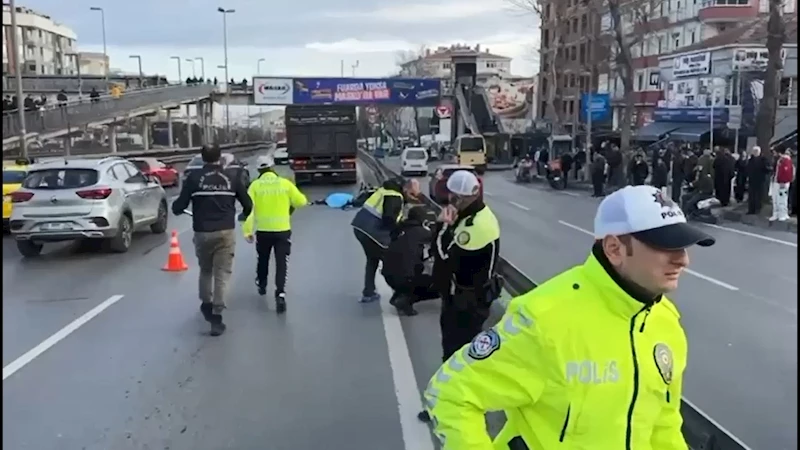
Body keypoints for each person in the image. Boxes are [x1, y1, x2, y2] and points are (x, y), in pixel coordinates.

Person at [423, 185, 715, 449]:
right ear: (614, 248)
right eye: (666, 246)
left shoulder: (665, 323)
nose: (683, 260)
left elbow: (664, 424)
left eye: (683, 246)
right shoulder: (545, 319)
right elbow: (449, 393)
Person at [418, 170, 501, 423]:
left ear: (465, 197)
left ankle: (452, 408)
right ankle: (458, 404)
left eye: (453, 197)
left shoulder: (475, 227)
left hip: (468, 302)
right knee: (460, 356)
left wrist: (443, 226)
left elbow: (444, 257)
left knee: (457, 358)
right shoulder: (473, 216)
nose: (449, 202)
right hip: (463, 298)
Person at [172, 145, 253, 336]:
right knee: (222, 273)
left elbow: (178, 206)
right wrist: (242, 216)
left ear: (202, 157)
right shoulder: (232, 177)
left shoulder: (193, 178)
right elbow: (248, 205)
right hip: (225, 231)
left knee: (206, 270)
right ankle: (217, 315)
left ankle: (206, 303)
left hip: (202, 232)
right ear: (220, 157)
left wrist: (179, 207)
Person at [242, 154, 308, 313]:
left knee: (263, 259)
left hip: (263, 231)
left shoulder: (255, 186)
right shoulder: (285, 184)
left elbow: (249, 211)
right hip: (282, 231)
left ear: (259, 169)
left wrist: (247, 231)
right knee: (281, 263)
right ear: (272, 167)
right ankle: (280, 293)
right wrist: (288, 207)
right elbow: (301, 201)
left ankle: (262, 284)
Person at [350, 177, 420, 303]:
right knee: (394, 262)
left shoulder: (386, 190)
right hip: (372, 231)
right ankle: (402, 296)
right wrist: (400, 230)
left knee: (372, 259)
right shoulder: (395, 196)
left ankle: (368, 292)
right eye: (412, 194)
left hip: (360, 227)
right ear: (405, 189)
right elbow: (389, 219)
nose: (413, 198)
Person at [381, 206, 439, 316]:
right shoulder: (421, 232)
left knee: (410, 268)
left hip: (388, 274)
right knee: (438, 284)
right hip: (405, 277)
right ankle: (405, 300)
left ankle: (399, 294)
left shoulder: (400, 229)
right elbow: (437, 240)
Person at [769, 147, 795, 222]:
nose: (773, 154)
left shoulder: (785, 160)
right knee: (778, 198)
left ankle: (781, 214)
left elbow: (786, 172)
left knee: (781, 199)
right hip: (778, 181)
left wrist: (782, 181)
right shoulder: (781, 160)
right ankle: (778, 214)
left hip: (781, 182)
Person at [746, 146, 770, 215]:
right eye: (754, 151)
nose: (755, 153)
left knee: (758, 196)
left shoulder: (763, 159)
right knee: (751, 196)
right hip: (752, 180)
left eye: (756, 151)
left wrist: (765, 168)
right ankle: (751, 209)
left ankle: (757, 209)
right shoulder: (751, 159)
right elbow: (748, 168)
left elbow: (767, 169)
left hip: (760, 180)